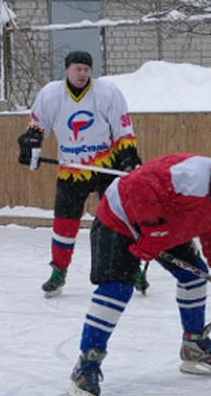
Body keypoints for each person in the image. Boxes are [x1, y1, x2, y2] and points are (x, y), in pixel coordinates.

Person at [66, 153, 211, 396]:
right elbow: (137, 185)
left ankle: (194, 345)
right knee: (117, 288)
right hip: (121, 217)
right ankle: (87, 362)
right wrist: (151, 229)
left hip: (168, 228)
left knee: (194, 276)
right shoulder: (186, 176)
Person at [17, 50, 148, 298]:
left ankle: (133, 267)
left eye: (86, 69)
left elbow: (123, 129)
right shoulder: (51, 95)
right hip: (71, 170)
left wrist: (129, 156)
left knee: (121, 220)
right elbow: (37, 126)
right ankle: (59, 271)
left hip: (106, 167)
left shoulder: (107, 93)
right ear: (67, 70)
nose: (82, 73)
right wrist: (30, 142)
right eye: (77, 68)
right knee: (64, 223)